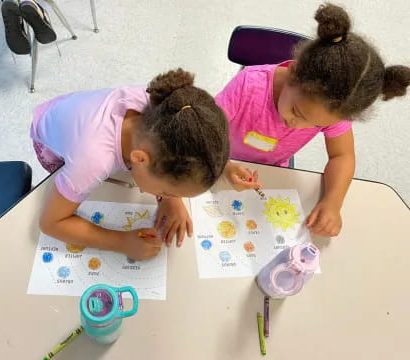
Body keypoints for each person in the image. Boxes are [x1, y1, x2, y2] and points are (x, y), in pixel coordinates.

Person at [217, 3, 410, 237]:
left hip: (270, 174)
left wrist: (333, 202)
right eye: (297, 111)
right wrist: (224, 166)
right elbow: (204, 132)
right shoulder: (248, 85)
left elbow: (342, 156)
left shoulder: (332, 108)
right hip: (218, 160)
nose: (296, 125)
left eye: (316, 124)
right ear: (293, 74)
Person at [31, 69, 229, 260]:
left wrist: (170, 200)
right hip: (50, 139)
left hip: (78, 111)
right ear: (139, 159)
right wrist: (122, 242)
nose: (173, 198)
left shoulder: (165, 105)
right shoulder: (92, 163)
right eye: (169, 192)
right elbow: (51, 223)